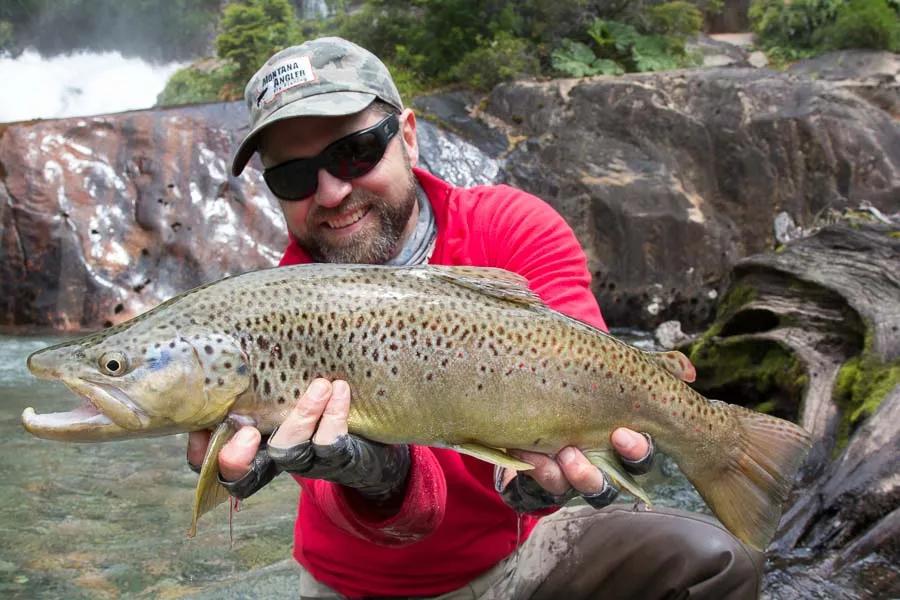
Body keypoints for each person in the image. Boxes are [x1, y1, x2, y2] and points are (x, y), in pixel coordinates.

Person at [187, 36, 764, 599]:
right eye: (293, 176)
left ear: (408, 137)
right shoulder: (271, 307)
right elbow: (397, 516)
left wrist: (534, 480)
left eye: (354, 152)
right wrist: (378, 481)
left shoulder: (511, 226)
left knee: (716, 565)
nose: (333, 191)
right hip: (359, 585)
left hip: (519, 557)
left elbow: (586, 366)